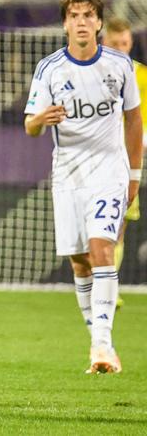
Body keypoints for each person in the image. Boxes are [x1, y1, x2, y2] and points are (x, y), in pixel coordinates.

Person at [24, 0, 142, 374]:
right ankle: (98, 338)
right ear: (64, 23)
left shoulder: (119, 65)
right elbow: (30, 128)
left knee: (101, 249)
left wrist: (133, 176)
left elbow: (134, 121)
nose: (80, 22)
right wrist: (42, 119)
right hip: (68, 173)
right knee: (79, 261)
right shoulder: (49, 69)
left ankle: (103, 346)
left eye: (87, 15)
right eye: (73, 15)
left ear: (98, 23)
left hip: (109, 169)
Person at [100, 17, 147, 300]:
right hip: (93, 161)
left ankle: (108, 288)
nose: (119, 48)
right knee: (98, 230)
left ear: (131, 43)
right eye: (114, 43)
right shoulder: (90, 73)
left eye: (124, 43)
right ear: (104, 42)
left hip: (126, 163)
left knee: (118, 228)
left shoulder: (141, 76)